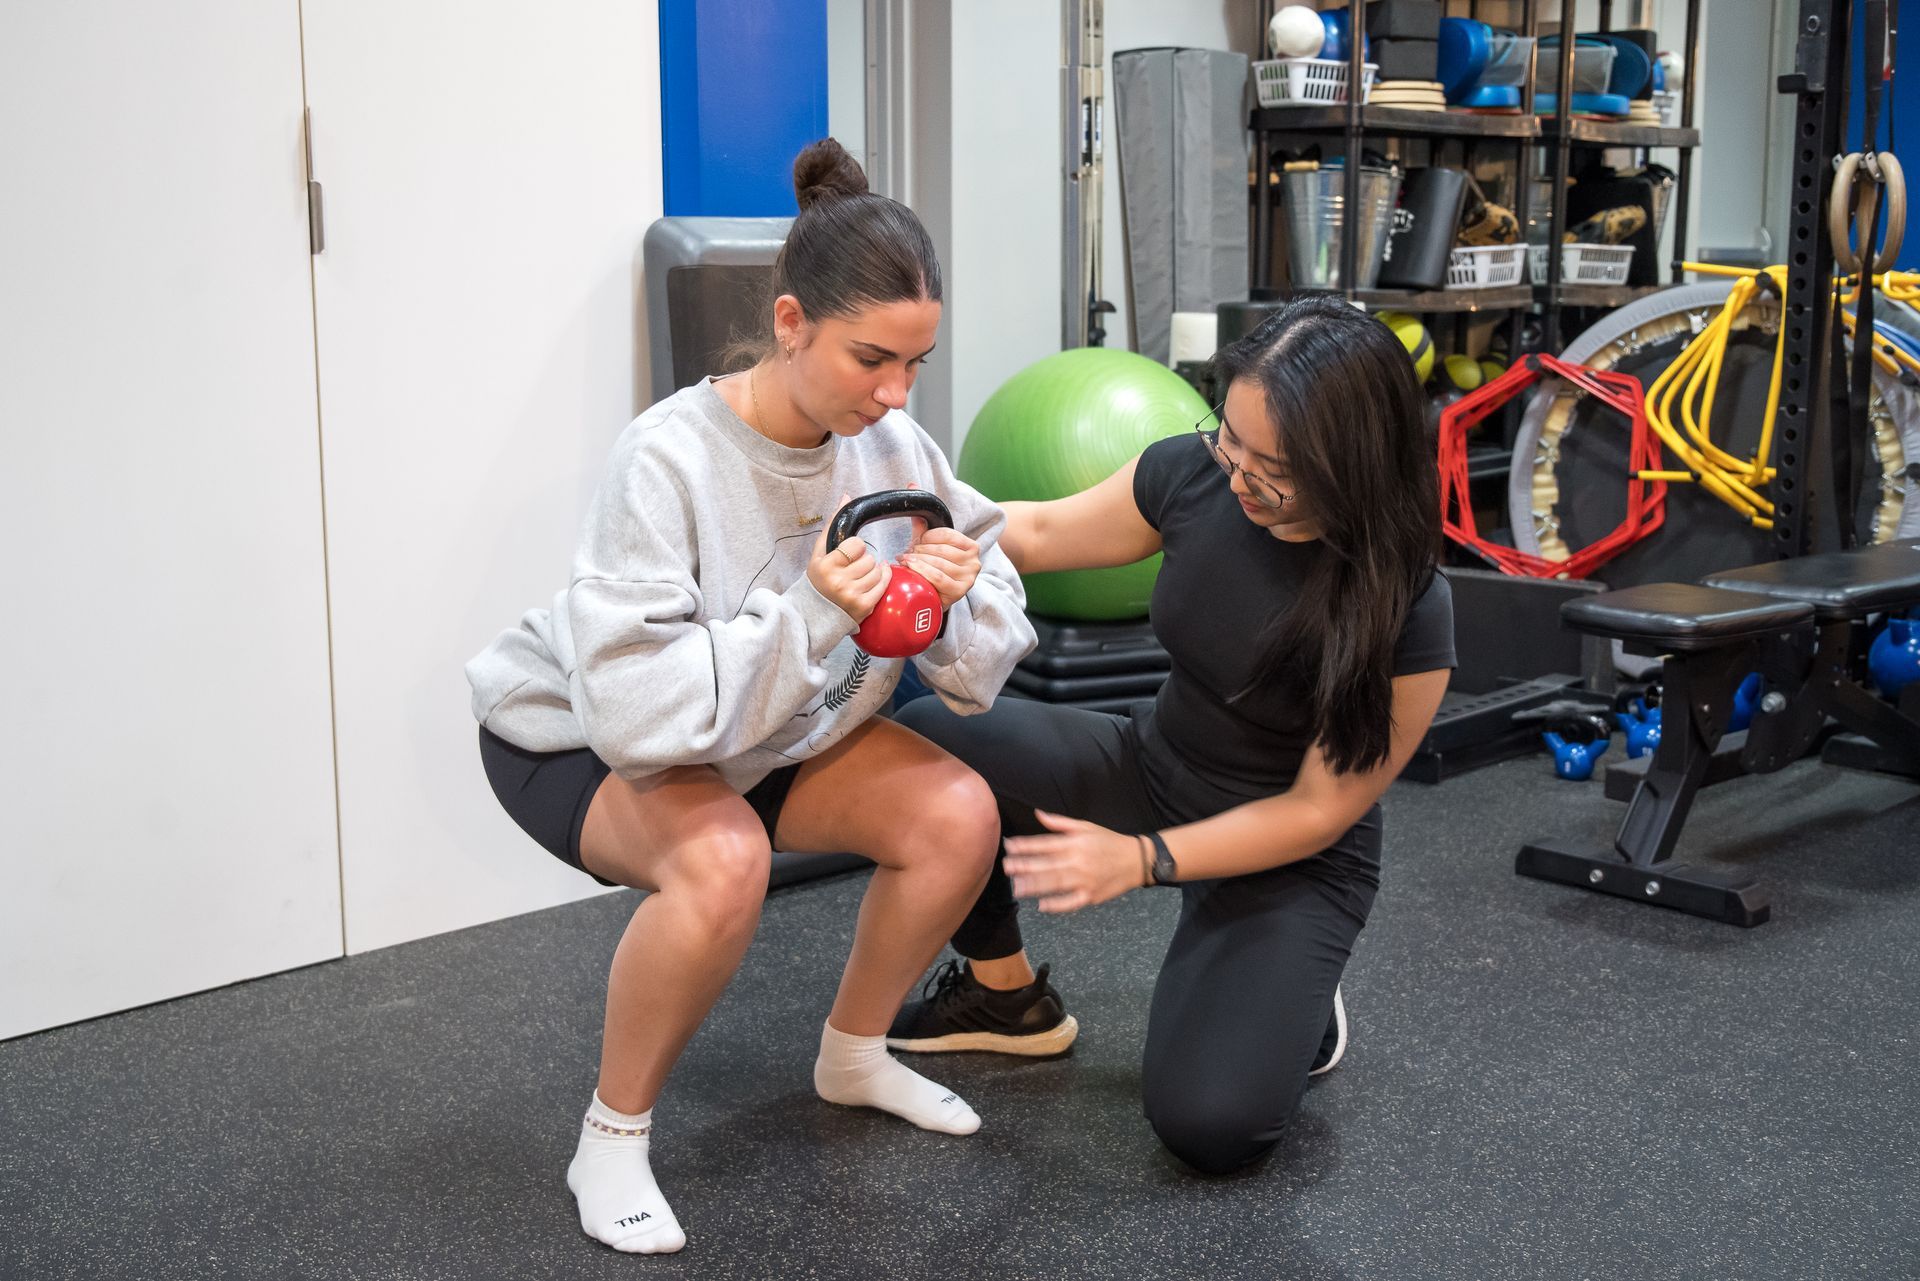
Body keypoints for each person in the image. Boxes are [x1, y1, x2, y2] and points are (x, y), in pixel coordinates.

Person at [465, 138, 1034, 1253]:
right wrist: (818, 614)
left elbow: (973, 672)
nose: (896, 392)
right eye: (874, 359)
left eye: (917, 364)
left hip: (761, 731)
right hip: (577, 734)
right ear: (790, 324)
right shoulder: (667, 460)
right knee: (721, 862)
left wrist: (956, 599)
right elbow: (633, 717)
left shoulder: (892, 440)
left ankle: (855, 1054)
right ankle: (611, 1138)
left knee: (957, 813)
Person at [888, 295, 1455, 1174]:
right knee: (930, 739)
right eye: (1232, 438)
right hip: (1154, 766)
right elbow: (1030, 531)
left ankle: (1301, 1005)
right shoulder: (1194, 476)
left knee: (1210, 1125)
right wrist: (915, 535)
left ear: (1354, 465)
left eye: (1276, 467)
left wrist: (1142, 857)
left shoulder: (1407, 602)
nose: (1239, 477)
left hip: (1290, 858)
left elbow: (1315, 811)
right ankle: (1005, 1000)